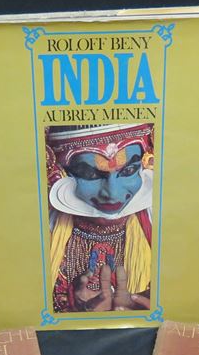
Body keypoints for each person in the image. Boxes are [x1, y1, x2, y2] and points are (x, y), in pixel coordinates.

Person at [45, 123, 154, 312]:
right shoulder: (41, 228)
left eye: (128, 171)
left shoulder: (164, 223)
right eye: (91, 174)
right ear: (59, 174)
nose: (112, 194)